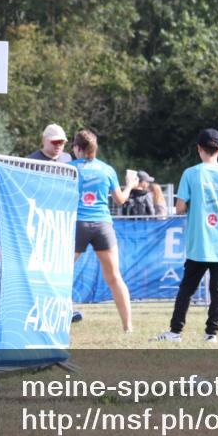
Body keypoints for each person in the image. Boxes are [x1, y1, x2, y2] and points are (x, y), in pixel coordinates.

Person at [156, 129, 218, 343]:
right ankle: (211, 334)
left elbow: (179, 208)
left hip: (199, 242)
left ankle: (175, 331)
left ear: (199, 148)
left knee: (187, 289)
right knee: (217, 291)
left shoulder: (191, 173)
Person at [70, 129, 138, 332]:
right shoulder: (107, 170)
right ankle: (128, 327)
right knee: (115, 276)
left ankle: (57, 318)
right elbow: (121, 200)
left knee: (63, 274)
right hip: (102, 225)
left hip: (78, 224)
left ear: (77, 148)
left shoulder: (69, 169)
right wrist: (130, 185)